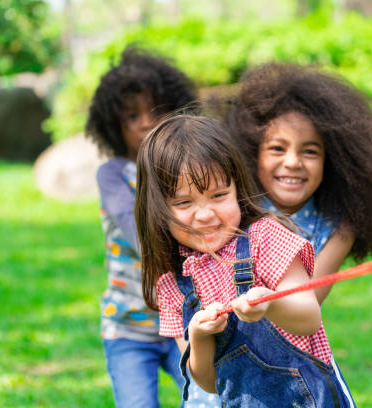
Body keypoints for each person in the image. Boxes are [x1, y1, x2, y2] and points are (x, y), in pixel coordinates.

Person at [135, 115, 357, 407]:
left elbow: (308, 317)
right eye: (184, 202)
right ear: (157, 209)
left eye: (218, 195)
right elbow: (210, 383)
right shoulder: (172, 283)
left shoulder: (264, 239)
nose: (204, 214)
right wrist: (199, 337)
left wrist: (271, 304)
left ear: (237, 189)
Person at [86, 47, 219, 408]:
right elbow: (140, 237)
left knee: (210, 402)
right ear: (114, 126)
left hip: (192, 321)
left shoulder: (192, 173)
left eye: (156, 111)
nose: (146, 122)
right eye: (132, 116)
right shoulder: (114, 175)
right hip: (130, 327)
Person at [224, 63, 372, 303]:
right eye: (277, 148)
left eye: (310, 152)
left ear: (334, 162)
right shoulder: (233, 206)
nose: (293, 162)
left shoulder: (338, 229)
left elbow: (307, 306)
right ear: (252, 154)